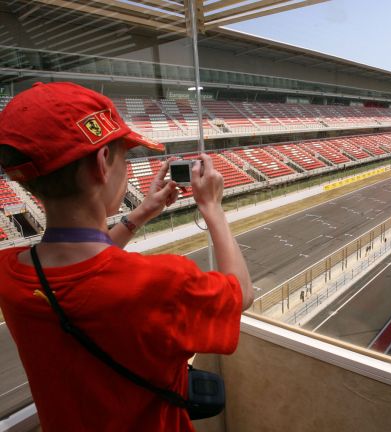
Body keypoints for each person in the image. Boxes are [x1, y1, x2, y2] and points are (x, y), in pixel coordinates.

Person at [0, 82, 253, 432]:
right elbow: (241, 293)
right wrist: (212, 207)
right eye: (125, 155)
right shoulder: (161, 282)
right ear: (103, 162)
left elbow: (83, 265)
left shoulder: (9, 274)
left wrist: (140, 215)